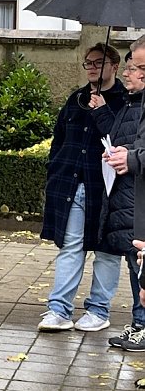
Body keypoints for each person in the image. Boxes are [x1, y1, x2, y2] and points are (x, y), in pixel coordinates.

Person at [38, 43, 125, 332]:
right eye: (87, 62)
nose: (91, 67)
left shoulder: (126, 100)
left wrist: (102, 111)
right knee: (70, 246)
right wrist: (56, 167)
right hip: (73, 183)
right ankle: (59, 309)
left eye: (98, 62)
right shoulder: (76, 99)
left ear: (114, 66)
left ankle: (99, 310)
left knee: (107, 250)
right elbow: (59, 139)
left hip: (107, 187)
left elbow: (121, 137)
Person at [92, 50, 145, 347]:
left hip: (135, 197)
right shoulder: (130, 103)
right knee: (134, 261)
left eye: (132, 68)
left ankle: (143, 323)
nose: (126, 74)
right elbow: (124, 138)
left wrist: (129, 157)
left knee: (141, 263)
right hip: (125, 195)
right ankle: (139, 321)